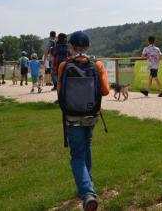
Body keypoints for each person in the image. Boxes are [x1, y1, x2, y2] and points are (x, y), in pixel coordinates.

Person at [57, 31, 109, 211]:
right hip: (92, 115)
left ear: (71, 47)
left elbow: (59, 93)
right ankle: (89, 185)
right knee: (86, 146)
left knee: (77, 154)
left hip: (72, 117)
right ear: (88, 47)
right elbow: (105, 91)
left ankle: (87, 193)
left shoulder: (65, 65)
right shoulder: (98, 65)